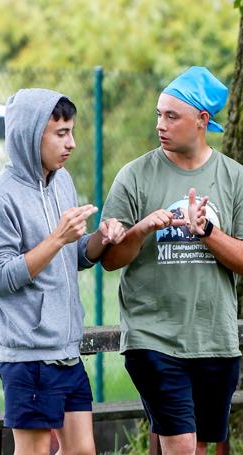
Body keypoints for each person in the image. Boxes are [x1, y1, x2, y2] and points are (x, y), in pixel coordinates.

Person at [0, 89, 126, 455]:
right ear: (29, 134)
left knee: (82, 451)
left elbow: (74, 255)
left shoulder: (63, 182)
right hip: (28, 357)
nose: (71, 143)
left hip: (67, 351)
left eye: (71, 131)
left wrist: (100, 239)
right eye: (60, 133)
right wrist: (57, 238)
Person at [100, 66, 243, 454]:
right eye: (158, 115)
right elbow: (110, 260)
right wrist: (141, 229)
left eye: (171, 116)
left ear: (202, 120)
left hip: (215, 341)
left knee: (196, 447)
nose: (160, 125)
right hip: (153, 338)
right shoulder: (134, 176)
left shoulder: (235, 178)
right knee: (180, 444)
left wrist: (208, 233)